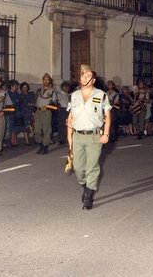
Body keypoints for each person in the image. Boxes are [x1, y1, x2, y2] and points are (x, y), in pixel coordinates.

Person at [67, 64, 111, 210]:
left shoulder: (101, 95)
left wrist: (106, 134)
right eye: (82, 75)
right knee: (78, 168)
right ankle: (86, 186)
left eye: (88, 76)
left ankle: (89, 195)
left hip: (94, 136)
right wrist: (69, 138)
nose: (84, 78)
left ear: (93, 80)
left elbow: (107, 116)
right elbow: (70, 118)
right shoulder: (74, 96)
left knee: (92, 166)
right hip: (78, 136)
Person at [35, 73, 58, 154]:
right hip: (38, 111)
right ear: (42, 80)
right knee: (36, 130)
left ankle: (45, 146)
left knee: (46, 130)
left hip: (46, 112)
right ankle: (40, 144)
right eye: (44, 79)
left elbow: (55, 104)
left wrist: (47, 107)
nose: (45, 81)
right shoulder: (39, 90)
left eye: (47, 80)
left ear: (50, 81)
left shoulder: (52, 92)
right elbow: (36, 101)